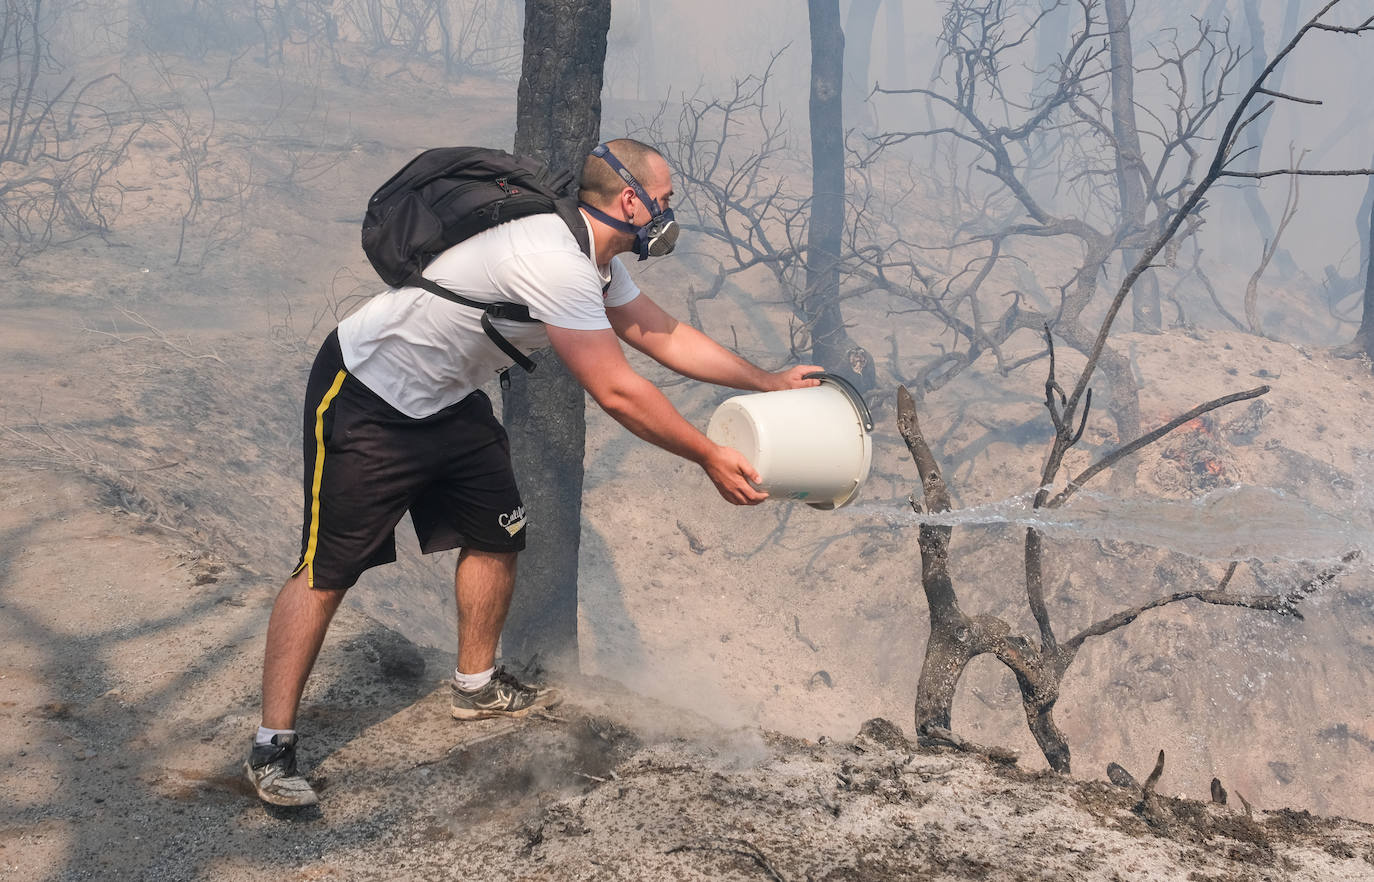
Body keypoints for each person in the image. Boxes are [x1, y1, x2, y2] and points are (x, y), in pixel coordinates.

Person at [243, 138, 821, 807]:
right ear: (629, 200)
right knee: (328, 567)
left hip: (450, 399)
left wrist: (767, 382)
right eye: (664, 202)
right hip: (370, 393)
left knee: (497, 530)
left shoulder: (595, 260)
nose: (669, 215)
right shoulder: (555, 260)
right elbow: (618, 392)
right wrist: (709, 455)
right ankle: (271, 746)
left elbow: (658, 333)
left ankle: (475, 684)